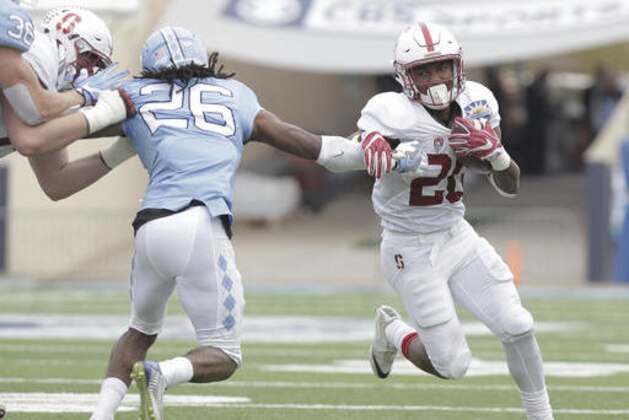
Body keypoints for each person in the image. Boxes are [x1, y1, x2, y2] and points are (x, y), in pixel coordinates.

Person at [87, 26, 388, 420]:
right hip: (199, 221)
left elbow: (67, 127)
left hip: (149, 227)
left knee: (139, 331)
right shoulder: (236, 95)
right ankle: (164, 373)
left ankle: (101, 415)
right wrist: (381, 156)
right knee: (224, 353)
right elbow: (311, 146)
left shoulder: (135, 95)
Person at [359, 22, 554, 419]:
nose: (436, 79)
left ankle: (541, 414)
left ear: (458, 66)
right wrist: (368, 142)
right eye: (424, 71)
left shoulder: (478, 101)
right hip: (408, 248)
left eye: (443, 67)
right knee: (452, 364)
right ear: (405, 77)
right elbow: (353, 144)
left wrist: (497, 155)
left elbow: (509, 185)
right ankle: (393, 332)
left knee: (518, 325)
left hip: (456, 234)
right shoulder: (391, 111)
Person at [0, 6, 136, 198]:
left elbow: (56, 182)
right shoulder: (41, 51)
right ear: (72, 41)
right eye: (91, 60)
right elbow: (29, 135)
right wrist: (85, 99)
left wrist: (122, 150)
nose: (90, 73)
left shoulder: (51, 93)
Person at [0, 0, 126, 127]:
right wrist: (83, 95)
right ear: (74, 42)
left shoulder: (44, 52)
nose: (87, 72)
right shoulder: (44, 54)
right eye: (89, 59)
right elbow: (38, 111)